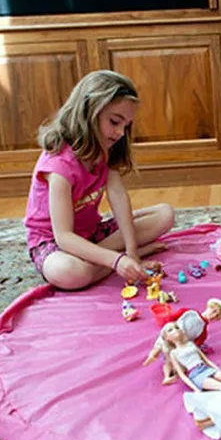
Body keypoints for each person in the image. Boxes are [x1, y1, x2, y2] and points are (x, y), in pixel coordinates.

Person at [24, 70, 175, 290]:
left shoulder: (105, 149)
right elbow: (64, 236)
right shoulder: (59, 165)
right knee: (70, 273)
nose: (121, 133)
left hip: (92, 234)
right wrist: (117, 261)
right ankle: (104, 260)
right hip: (55, 243)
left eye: (126, 125)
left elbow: (119, 199)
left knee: (165, 214)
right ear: (89, 111)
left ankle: (101, 259)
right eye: (115, 121)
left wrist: (132, 254)